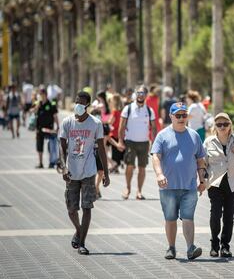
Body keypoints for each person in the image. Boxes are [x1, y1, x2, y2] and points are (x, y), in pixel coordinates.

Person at [151, 102, 206, 260]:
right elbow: (156, 157)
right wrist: (159, 174)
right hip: (168, 186)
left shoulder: (194, 135)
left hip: (189, 186)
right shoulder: (162, 135)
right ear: (171, 117)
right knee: (170, 218)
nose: (182, 118)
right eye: (178, 115)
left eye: (184, 115)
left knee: (188, 217)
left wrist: (202, 180)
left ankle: (190, 248)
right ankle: (171, 247)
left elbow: (200, 160)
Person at [59, 91, 110, 255]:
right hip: (71, 173)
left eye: (81, 103)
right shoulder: (67, 122)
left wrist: (106, 173)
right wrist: (63, 167)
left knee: (87, 207)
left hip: (89, 172)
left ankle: (82, 243)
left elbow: (102, 149)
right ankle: (79, 230)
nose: (78, 105)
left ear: (87, 105)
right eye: (76, 101)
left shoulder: (95, 123)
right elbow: (62, 146)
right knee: (71, 209)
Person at [203, 113, 234, 257]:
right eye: (219, 124)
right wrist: (201, 181)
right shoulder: (208, 142)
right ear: (215, 127)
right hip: (215, 184)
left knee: (229, 216)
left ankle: (225, 246)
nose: (222, 127)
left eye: (225, 124)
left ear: (230, 125)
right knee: (215, 214)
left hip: (233, 183)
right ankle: (214, 245)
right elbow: (203, 164)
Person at [118, 85, 157, 200]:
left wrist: (154, 142)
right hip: (130, 141)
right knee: (129, 165)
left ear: (146, 95)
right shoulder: (128, 108)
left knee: (142, 167)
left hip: (144, 142)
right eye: (139, 93)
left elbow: (154, 127)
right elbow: (121, 126)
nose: (140, 95)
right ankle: (127, 188)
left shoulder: (149, 110)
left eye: (143, 93)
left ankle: (139, 191)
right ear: (136, 94)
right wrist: (120, 141)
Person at [32, 88, 59, 168]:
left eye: (42, 94)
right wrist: (37, 106)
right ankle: (40, 163)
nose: (41, 96)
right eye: (40, 95)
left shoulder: (51, 104)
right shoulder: (38, 104)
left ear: (46, 95)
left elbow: (55, 116)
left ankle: (51, 162)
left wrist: (57, 126)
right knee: (39, 146)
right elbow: (32, 111)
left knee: (50, 146)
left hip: (49, 128)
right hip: (39, 128)